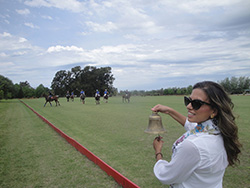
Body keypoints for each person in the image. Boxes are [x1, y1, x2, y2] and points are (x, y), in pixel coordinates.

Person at [152, 81, 241, 188]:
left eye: (196, 103)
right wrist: (169, 110)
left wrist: (158, 153)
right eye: (188, 101)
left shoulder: (192, 146)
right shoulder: (219, 131)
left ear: (214, 111)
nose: (189, 106)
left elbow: (166, 175)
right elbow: (191, 126)